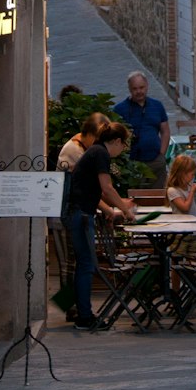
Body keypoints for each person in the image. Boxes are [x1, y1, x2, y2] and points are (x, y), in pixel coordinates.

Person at [67, 120, 137, 331]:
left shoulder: (94, 151)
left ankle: (79, 311)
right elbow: (106, 188)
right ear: (116, 141)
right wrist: (125, 210)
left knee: (83, 264)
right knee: (87, 265)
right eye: (123, 145)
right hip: (81, 214)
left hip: (79, 212)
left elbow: (94, 192)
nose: (122, 150)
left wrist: (110, 211)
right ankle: (84, 317)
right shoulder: (101, 154)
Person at [114, 72, 170, 187]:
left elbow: (165, 131)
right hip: (132, 163)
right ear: (129, 89)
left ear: (147, 86)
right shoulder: (119, 109)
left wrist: (162, 154)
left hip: (155, 161)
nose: (139, 91)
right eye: (135, 88)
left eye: (141, 87)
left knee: (157, 197)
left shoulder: (157, 106)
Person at [165, 155, 196, 277]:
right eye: (191, 174)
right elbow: (185, 207)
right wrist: (192, 192)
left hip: (193, 232)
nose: (192, 178)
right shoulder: (173, 190)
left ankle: (192, 287)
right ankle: (176, 290)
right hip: (179, 234)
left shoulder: (188, 187)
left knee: (193, 262)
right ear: (181, 173)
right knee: (177, 264)